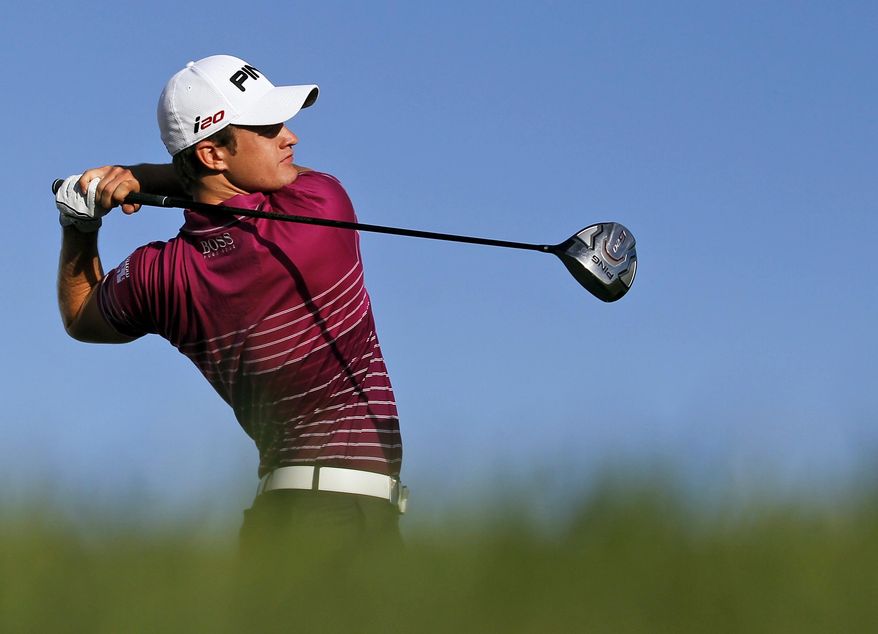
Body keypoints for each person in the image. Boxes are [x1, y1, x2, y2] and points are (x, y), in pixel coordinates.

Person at [55, 54, 406, 555]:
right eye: (266, 128)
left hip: (276, 521)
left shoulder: (159, 274)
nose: (290, 137)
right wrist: (138, 175)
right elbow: (220, 185)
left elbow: (81, 317)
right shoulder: (317, 210)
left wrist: (80, 224)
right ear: (215, 154)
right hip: (346, 522)